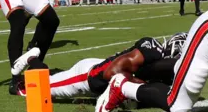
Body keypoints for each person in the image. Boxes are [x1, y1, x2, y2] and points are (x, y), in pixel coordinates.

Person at [24, 33, 186, 99]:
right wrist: (143, 86)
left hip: (100, 76)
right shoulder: (150, 51)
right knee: (37, 88)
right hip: (88, 76)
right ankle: (32, 57)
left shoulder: (161, 65)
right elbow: (110, 74)